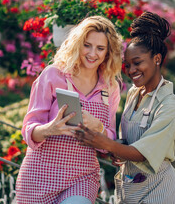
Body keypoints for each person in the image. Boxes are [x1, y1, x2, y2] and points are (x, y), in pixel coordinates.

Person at [75, 11, 175, 204]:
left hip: (157, 189)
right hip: (130, 186)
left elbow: (144, 152)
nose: (131, 70)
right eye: (127, 65)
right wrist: (118, 150)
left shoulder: (168, 104)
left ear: (157, 59)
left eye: (137, 63)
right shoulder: (134, 93)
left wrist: (105, 143)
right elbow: (127, 142)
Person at [15, 16, 122, 204]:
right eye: (87, 45)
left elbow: (110, 139)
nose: (92, 53)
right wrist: (50, 129)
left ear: (108, 52)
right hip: (40, 174)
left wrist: (100, 129)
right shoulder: (53, 75)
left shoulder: (110, 88)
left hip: (82, 176)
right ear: (78, 44)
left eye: (100, 48)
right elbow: (28, 129)